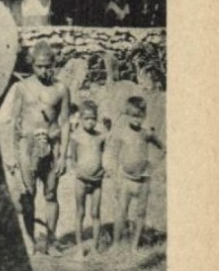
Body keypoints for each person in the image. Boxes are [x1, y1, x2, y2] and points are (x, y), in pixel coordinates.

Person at [11, 40, 70, 253]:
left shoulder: (61, 89)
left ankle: (51, 241)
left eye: (48, 66)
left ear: (53, 64)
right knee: (28, 195)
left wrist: (63, 156)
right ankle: (30, 241)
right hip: (27, 147)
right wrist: (14, 155)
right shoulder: (22, 88)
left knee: (51, 194)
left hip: (52, 146)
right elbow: (15, 123)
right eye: (39, 66)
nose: (44, 70)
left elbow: (65, 123)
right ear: (32, 65)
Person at [108, 95, 165, 250]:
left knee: (140, 212)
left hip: (144, 178)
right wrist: (115, 175)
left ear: (144, 116)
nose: (137, 120)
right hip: (126, 178)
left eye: (140, 116)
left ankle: (134, 245)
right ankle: (116, 244)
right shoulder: (121, 133)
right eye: (133, 116)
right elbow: (114, 155)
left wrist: (154, 163)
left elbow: (162, 147)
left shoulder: (146, 133)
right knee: (121, 211)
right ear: (127, 115)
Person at [69, 99, 107, 258]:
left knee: (95, 213)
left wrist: (103, 169)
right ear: (80, 118)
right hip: (81, 180)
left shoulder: (100, 137)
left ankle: (95, 248)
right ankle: (79, 248)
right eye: (87, 118)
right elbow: (73, 159)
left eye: (93, 118)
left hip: (97, 180)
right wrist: (79, 172)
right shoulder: (75, 137)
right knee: (80, 212)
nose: (90, 122)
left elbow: (103, 154)